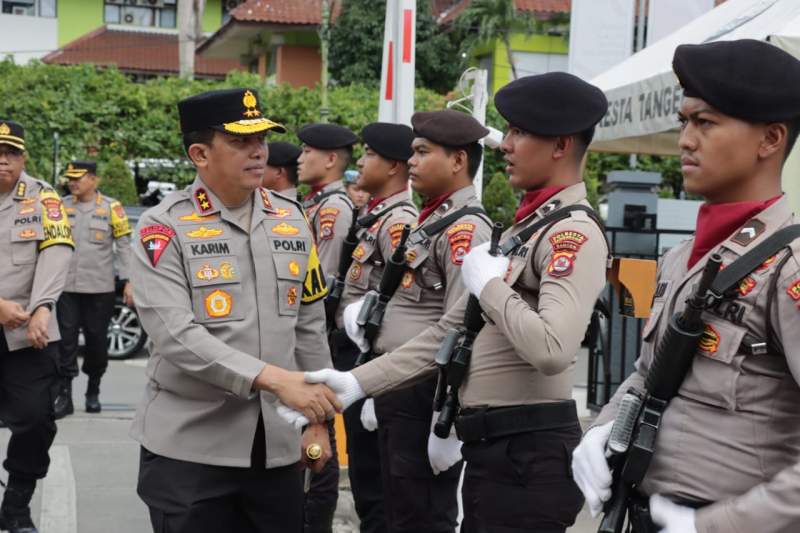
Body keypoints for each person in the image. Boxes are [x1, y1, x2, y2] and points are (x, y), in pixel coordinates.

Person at [278, 74, 610, 532]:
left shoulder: (573, 233)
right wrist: (355, 383)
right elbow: (446, 332)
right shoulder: (528, 229)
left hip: (528, 454)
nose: (506, 145)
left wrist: (491, 287)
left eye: (518, 132)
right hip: (495, 448)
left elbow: (552, 348)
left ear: (560, 145)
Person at [570, 39, 800, 533]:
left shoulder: (788, 268)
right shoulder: (682, 259)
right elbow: (649, 373)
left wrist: (719, 525)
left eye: (706, 122)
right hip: (641, 510)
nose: (685, 140)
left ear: (770, 139)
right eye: (684, 122)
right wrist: (604, 426)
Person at [130, 88, 343, 533]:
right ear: (199, 154)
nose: (257, 151)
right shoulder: (163, 227)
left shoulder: (291, 218)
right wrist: (274, 379)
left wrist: (319, 421)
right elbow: (176, 336)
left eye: (261, 139)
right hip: (190, 451)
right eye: (240, 141)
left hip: (277, 451)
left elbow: (309, 328)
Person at [338, 109, 493, 533]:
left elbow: (461, 328)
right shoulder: (433, 220)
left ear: (458, 161)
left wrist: (446, 418)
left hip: (423, 395)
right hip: (396, 387)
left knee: (422, 516)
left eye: (423, 153)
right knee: (395, 510)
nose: (413, 163)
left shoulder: (465, 229)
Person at [329, 122, 418, 533]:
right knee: (366, 475)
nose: (361, 162)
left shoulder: (399, 221)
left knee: (376, 481)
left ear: (394, 165)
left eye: (369, 154)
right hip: (354, 349)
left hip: (371, 356)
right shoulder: (376, 215)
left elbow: (402, 304)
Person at [0, 119, 74, 533]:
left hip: (27, 330)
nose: (2, 161)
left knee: (35, 419)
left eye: (11, 153)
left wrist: (44, 306)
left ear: (23, 157)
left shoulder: (43, 196)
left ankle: (16, 503)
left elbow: (57, 248)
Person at [296, 123, 358, 533]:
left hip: (324, 335)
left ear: (331, 159)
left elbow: (324, 283)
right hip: (316, 332)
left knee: (319, 434)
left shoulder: (334, 208)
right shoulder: (316, 204)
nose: (300, 159)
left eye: (308, 152)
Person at [53, 160, 133, 418]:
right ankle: (64, 395)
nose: (73, 183)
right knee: (65, 344)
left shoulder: (112, 208)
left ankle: (93, 390)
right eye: (70, 178)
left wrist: (129, 280)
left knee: (97, 343)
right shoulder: (60, 207)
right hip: (66, 288)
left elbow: (123, 246)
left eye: (79, 178)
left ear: (94, 180)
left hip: (99, 289)